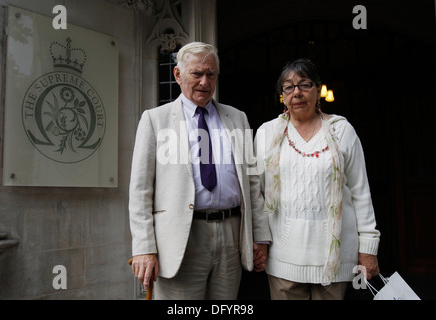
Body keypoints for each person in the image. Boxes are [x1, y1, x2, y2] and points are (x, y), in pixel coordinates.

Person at [129, 42, 272, 300]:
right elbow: (140, 191)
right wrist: (144, 247)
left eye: (211, 74)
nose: (205, 82)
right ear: (178, 75)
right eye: (197, 74)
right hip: (180, 238)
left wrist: (260, 235)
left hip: (231, 234)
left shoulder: (237, 118)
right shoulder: (154, 120)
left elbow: (252, 182)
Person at [254, 58, 380, 300]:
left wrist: (368, 249)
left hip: (334, 258)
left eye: (305, 85)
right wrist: (259, 240)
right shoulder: (267, 133)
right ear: (282, 95)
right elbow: (256, 193)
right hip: (284, 257)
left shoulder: (341, 130)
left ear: (318, 90)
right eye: (289, 87)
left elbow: (360, 191)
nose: (297, 93)